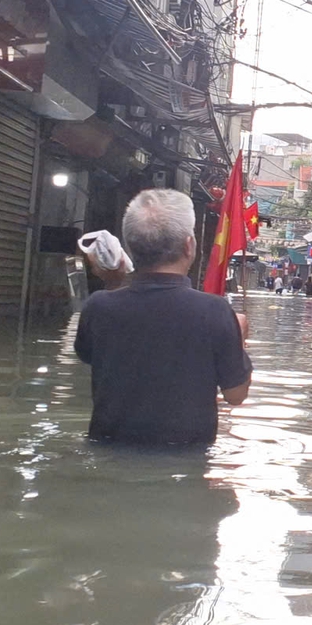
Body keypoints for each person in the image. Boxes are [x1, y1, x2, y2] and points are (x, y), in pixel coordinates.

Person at [74, 189, 252, 446]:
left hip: (108, 452)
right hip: (186, 461)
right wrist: (239, 337)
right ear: (189, 246)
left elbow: (92, 357)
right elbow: (236, 395)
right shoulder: (215, 312)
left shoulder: (98, 306)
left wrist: (113, 282)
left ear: (130, 248)